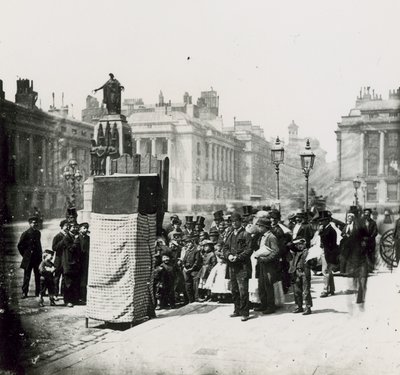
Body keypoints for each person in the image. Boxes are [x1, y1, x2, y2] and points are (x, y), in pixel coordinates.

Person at [223, 212, 253, 322]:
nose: (234, 223)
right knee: (234, 289)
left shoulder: (246, 234)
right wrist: (229, 255)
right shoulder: (230, 234)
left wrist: (238, 257)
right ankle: (237, 310)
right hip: (232, 266)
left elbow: (249, 250)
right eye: (232, 221)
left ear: (240, 222)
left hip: (242, 266)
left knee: (243, 290)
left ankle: (245, 312)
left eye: (236, 221)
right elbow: (225, 248)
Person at [254, 217, 281, 314]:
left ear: (265, 227)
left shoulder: (271, 237)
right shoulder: (262, 236)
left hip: (269, 265)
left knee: (268, 285)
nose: (259, 228)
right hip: (262, 264)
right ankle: (263, 304)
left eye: (260, 226)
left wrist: (265, 259)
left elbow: (276, 251)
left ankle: (270, 306)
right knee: (261, 285)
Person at [54, 222, 81, 307]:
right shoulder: (66, 238)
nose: (75, 228)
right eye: (73, 227)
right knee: (68, 283)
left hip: (75, 263)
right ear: (69, 228)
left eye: (76, 227)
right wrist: (76, 240)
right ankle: (67, 301)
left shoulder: (74, 236)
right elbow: (71, 249)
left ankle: (75, 300)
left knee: (75, 282)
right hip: (68, 263)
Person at [18, 217, 43, 298]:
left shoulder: (38, 233)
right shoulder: (25, 233)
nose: (35, 224)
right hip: (28, 259)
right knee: (27, 276)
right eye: (33, 222)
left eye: (36, 222)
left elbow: (39, 246)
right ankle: (24, 292)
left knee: (38, 275)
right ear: (29, 224)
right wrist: (25, 255)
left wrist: (40, 255)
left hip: (37, 258)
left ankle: (38, 292)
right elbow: (19, 246)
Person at [288, 238, 313, 315]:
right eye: (297, 245)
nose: (299, 246)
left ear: (304, 244)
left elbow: (313, 263)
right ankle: (299, 306)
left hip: (304, 272)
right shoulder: (296, 251)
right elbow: (289, 245)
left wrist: (310, 261)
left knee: (306, 290)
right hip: (296, 271)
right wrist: (294, 243)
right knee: (297, 290)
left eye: (300, 244)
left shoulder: (308, 252)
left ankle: (308, 307)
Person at [319, 211, 339, 298]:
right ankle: (332, 289)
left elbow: (330, 244)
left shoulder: (330, 230)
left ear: (327, 220)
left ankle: (325, 290)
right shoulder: (326, 229)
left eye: (322, 220)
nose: (321, 222)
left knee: (325, 271)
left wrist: (320, 232)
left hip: (328, 253)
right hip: (326, 251)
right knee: (329, 271)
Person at [182, 235, 202, 303]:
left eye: (189, 242)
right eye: (186, 243)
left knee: (195, 284)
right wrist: (184, 267)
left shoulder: (196, 251)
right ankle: (190, 299)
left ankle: (196, 297)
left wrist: (191, 269)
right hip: (186, 270)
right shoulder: (187, 251)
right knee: (187, 284)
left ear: (192, 242)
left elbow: (197, 261)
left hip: (194, 270)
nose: (188, 244)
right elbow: (184, 260)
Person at [52, 219, 69, 300]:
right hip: (58, 260)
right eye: (66, 226)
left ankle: (63, 293)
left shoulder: (68, 235)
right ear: (62, 227)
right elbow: (54, 248)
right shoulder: (58, 236)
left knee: (64, 278)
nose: (67, 227)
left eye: (68, 226)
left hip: (65, 260)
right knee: (57, 278)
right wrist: (63, 241)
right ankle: (55, 294)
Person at [359, 208, 378, 273]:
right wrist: (362, 238)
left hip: (371, 241)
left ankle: (371, 269)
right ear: (364, 214)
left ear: (370, 214)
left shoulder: (373, 222)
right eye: (365, 213)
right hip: (363, 241)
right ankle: (363, 269)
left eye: (368, 213)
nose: (367, 214)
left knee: (371, 255)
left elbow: (375, 232)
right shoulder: (361, 222)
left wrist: (370, 238)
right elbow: (358, 231)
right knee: (363, 255)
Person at [78, 222, 90, 304]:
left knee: (84, 280)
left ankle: (83, 297)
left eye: (86, 228)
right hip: (78, 261)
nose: (85, 230)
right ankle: (78, 297)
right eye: (84, 228)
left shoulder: (88, 238)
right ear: (80, 229)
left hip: (85, 261)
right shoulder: (77, 238)